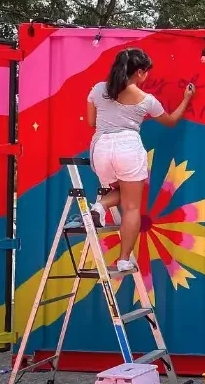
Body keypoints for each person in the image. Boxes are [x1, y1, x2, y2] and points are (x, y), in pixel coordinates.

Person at [75, 48, 193, 273]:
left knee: (120, 191)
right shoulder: (146, 100)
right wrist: (186, 99)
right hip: (128, 147)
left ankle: (100, 205)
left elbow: (91, 122)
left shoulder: (98, 90)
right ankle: (123, 259)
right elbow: (170, 121)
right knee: (131, 206)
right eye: (146, 72)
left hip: (101, 148)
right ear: (139, 72)